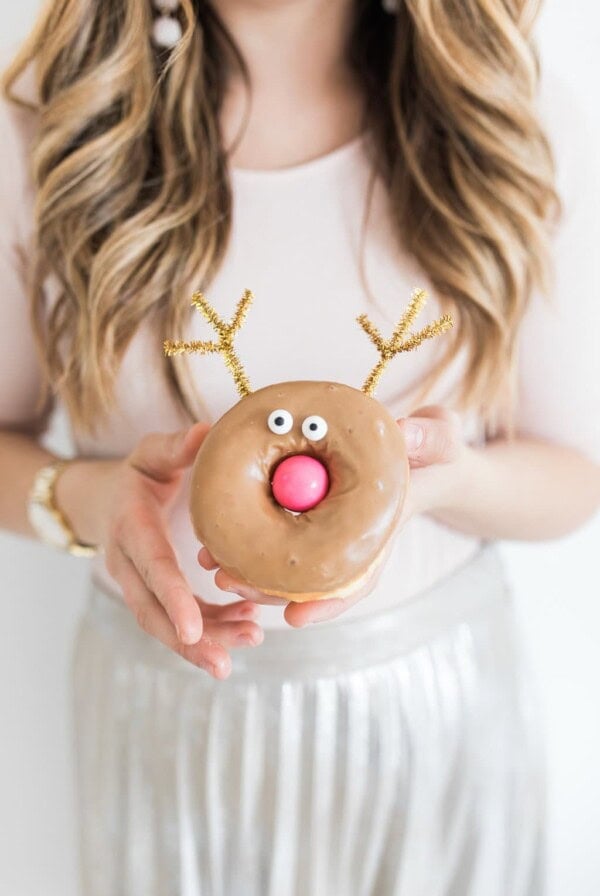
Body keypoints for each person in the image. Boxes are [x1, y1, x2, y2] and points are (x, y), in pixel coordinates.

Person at [1, 0, 599, 893]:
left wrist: (451, 479)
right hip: (173, 733)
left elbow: (573, 474)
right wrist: (88, 501)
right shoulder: (50, 141)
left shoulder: (507, 121)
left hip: (432, 721)